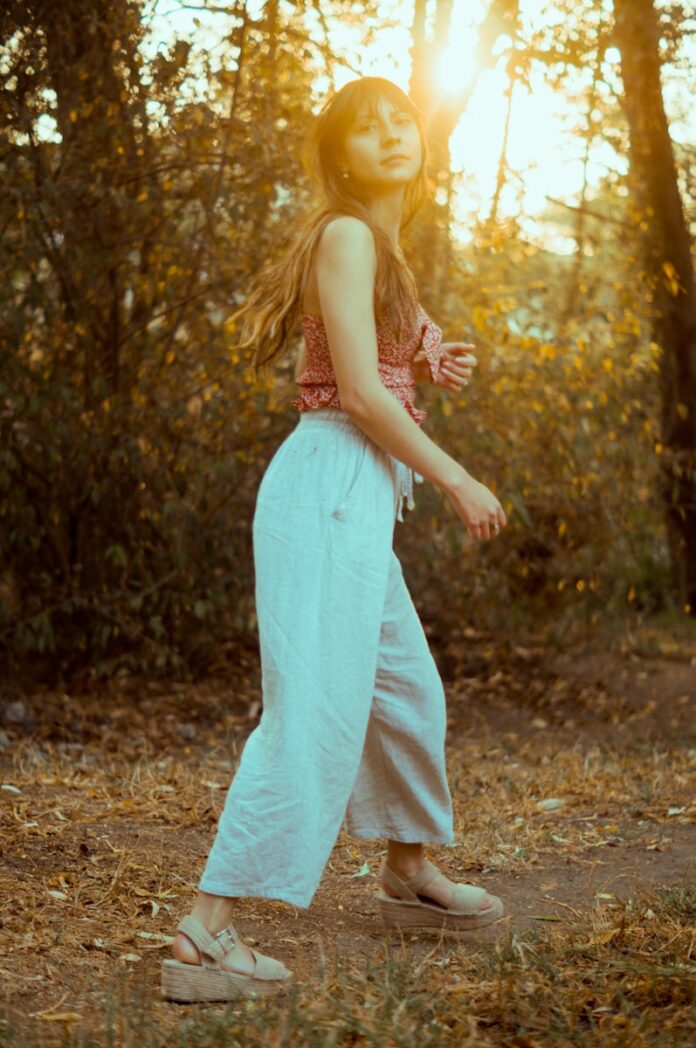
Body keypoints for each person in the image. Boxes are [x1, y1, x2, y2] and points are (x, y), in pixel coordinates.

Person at [161, 75, 507, 1005]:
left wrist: (425, 354)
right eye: (368, 128)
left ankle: (407, 871)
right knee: (310, 712)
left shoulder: (381, 247)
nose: (392, 134)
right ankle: (205, 934)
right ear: (342, 156)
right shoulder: (350, 234)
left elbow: (381, 358)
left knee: (405, 695)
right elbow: (356, 394)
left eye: (401, 119)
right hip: (330, 488)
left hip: (352, 498)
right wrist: (456, 474)